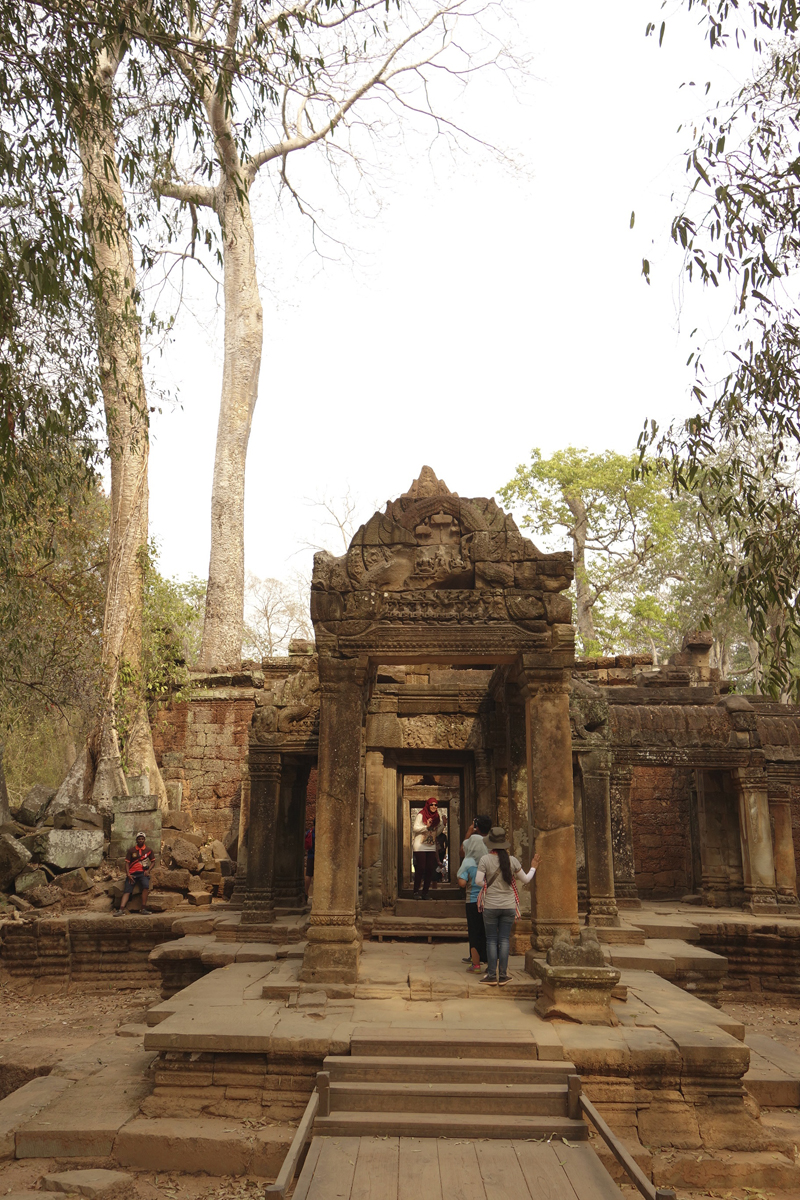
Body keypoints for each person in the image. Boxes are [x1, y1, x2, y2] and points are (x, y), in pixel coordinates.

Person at [475, 827, 541, 986]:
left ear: (490, 844)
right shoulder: (512, 861)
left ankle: (491, 975)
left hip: (491, 905)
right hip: (509, 905)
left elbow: (477, 881)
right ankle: (503, 975)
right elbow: (525, 880)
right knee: (504, 940)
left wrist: (486, 884)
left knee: (491, 940)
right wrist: (533, 866)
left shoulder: (485, 860)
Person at [457, 833, 488, 972]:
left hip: (472, 900)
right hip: (487, 900)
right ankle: (488, 959)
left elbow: (462, 883)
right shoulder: (487, 860)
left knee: (474, 931)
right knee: (486, 930)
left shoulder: (468, 862)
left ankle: (475, 964)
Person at [115, 831, 156, 915]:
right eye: (139, 839)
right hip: (132, 873)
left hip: (143, 873)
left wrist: (148, 871)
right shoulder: (131, 850)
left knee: (145, 886)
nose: (140, 840)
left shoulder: (148, 850)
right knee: (127, 890)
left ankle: (143, 908)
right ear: (136, 840)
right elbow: (127, 863)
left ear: (144, 840)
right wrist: (128, 874)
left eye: (142, 839)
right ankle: (121, 909)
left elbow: (153, 861)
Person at [412, 797, 441, 900]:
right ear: (428, 805)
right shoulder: (421, 814)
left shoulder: (437, 817)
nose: (433, 807)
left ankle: (425, 893)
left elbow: (436, 832)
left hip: (430, 845)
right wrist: (426, 827)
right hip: (420, 845)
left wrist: (443, 826)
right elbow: (415, 828)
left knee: (430, 869)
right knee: (421, 868)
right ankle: (416, 891)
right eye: (431, 804)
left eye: (435, 805)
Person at [304, 824, 315, 898]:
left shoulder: (309, 831)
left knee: (308, 875)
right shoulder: (322, 832)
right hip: (319, 856)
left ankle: (306, 892)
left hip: (310, 855)